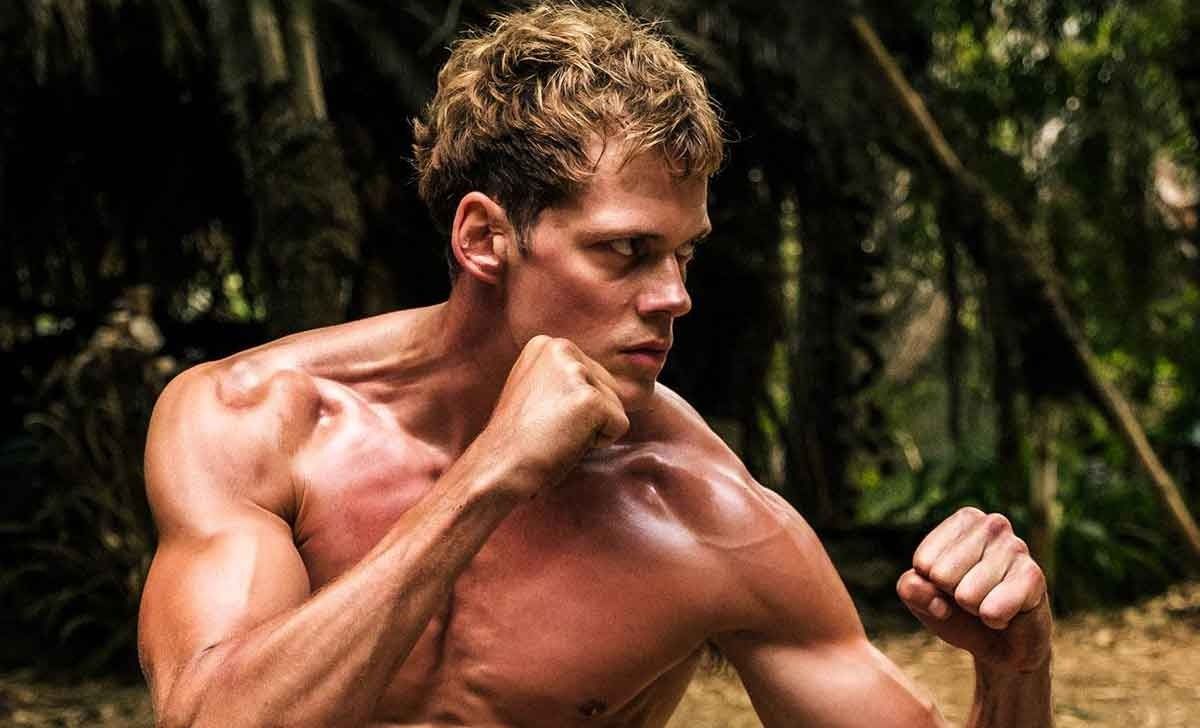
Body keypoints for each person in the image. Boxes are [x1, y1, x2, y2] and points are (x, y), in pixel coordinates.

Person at [137, 4, 1053, 727]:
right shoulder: (252, 420)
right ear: (484, 239)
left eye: (683, 254)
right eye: (626, 251)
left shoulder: (698, 509)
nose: (675, 296)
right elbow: (211, 717)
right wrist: (487, 477)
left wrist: (1018, 670)